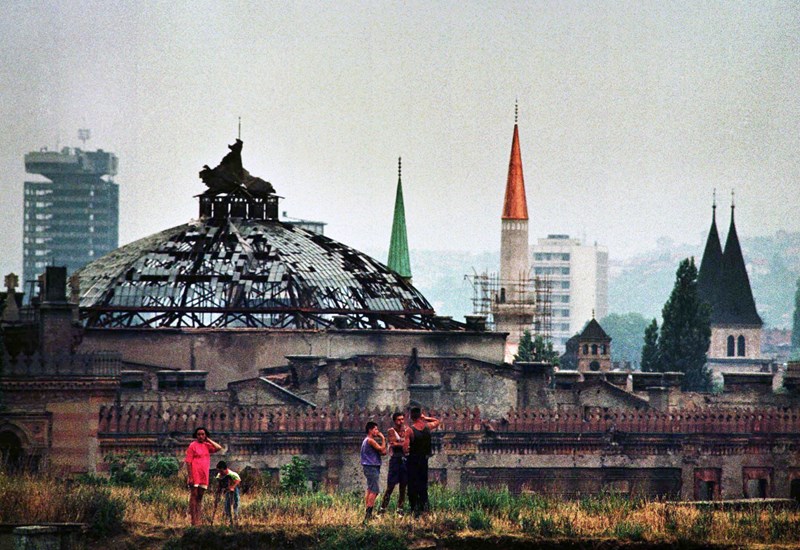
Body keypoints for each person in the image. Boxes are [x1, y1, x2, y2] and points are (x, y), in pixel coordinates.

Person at [185, 427, 223, 526]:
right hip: (195, 473)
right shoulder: (192, 446)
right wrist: (190, 477)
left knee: (200, 497)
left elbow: (218, 448)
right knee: (194, 496)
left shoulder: (207, 445)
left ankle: (198, 519)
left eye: (203, 434)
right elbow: (188, 462)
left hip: (204, 474)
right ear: (196, 435)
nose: (201, 436)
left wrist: (208, 440)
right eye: (199, 434)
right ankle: (193, 520)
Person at [406, 407, 440, 516]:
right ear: (420, 415)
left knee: (412, 484)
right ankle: (424, 508)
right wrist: (425, 418)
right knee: (423, 485)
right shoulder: (427, 427)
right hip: (424, 460)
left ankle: (413, 510)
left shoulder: (410, 430)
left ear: (411, 417)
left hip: (413, 461)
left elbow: (405, 448)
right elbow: (437, 421)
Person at [378, 411, 408, 515]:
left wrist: (401, 444)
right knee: (390, 486)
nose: (401, 421)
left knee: (403, 486)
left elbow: (406, 443)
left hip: (404, 460)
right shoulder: (391, 431)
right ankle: (382, 509)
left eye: (402, 419)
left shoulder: (406, 430)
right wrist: (403, 444)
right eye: (399, 420)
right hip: (395, 460)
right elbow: (393, 443)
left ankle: (400, 509)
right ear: (395, 421)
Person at [360, 421, 386, 522]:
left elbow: (382, 452)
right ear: (370, 430)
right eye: (375, 429)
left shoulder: (367, 441)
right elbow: (382, 449)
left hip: (370, 467)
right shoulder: (370, 440)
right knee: (374, 491)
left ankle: (368, 512)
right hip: (371, 467)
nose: (377, 431)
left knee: (370, 489)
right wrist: (383, 438)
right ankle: (368, 514)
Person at [215, 460, 241, 527]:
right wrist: (218, 494)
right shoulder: (219, 475)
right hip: (226, 490)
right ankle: (229, 521)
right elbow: (219, 484)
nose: (220, 472)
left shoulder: (232, 474)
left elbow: (238, 480)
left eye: (221, 471)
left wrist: (232, 487)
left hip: (234, 490)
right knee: (227, 505)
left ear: (225, 469)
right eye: (219, 471)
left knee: (236, 503)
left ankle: (236, 519)